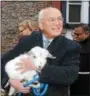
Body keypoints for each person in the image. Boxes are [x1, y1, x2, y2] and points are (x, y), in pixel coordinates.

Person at [1, 7, 80, 96]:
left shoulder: (71, 46)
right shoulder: (27, 41)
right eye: (52, 19)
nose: (57, 23)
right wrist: (10, 80)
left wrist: (38, 67)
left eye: (59, 19)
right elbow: (4, 60)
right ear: (41, 25)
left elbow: (70, 75)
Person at [70, 24, 90, 96]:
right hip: (74, 79)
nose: (75, 36)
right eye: (74, 34)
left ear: (87, 33)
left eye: (78, 34)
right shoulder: (74, 43)